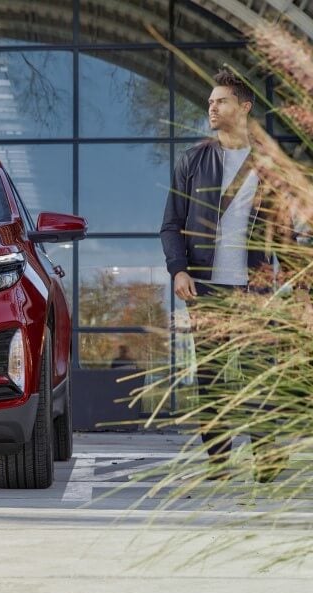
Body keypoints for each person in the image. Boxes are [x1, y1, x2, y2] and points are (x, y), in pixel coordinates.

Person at [160, 68, 289, 482]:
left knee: (258, 372)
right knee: (212, 377)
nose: (212, 108)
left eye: (221, 102)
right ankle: (218, 461)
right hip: (207, 289)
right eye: (211, 102)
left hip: (255, 291)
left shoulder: (269, 165)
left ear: (244, 107)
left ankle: (266, 458)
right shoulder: (195, 159)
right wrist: (179, 270)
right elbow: (170, 224)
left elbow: (289, 232)